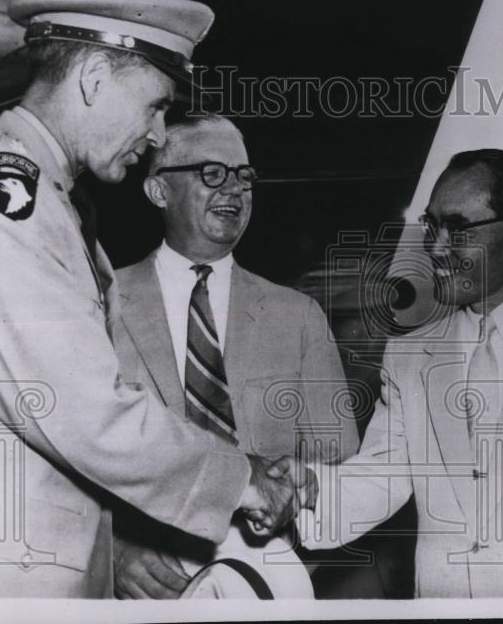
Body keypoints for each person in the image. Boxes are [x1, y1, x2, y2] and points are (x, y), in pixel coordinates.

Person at [0, 0, 298, 598]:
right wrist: (241, 481)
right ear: (95, 78)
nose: (158, 135)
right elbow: (77, 404)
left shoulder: (56, 203)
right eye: (155, 106)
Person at [274, 149, 503, 597]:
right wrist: (301, 493)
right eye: (432, 225)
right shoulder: (408, 352)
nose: (436, 247)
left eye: (458, 228)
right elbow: (381, 477)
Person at [110, 115, 363, 599]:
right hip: (143, 589)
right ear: (159, 190)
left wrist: (293, 511)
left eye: (244, 177)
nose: (235, 190)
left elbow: (338, 459)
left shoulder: (299, 316)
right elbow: (62, 459)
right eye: (212, 173)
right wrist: (115, 551)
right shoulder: (99, 304)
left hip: (263, 583)